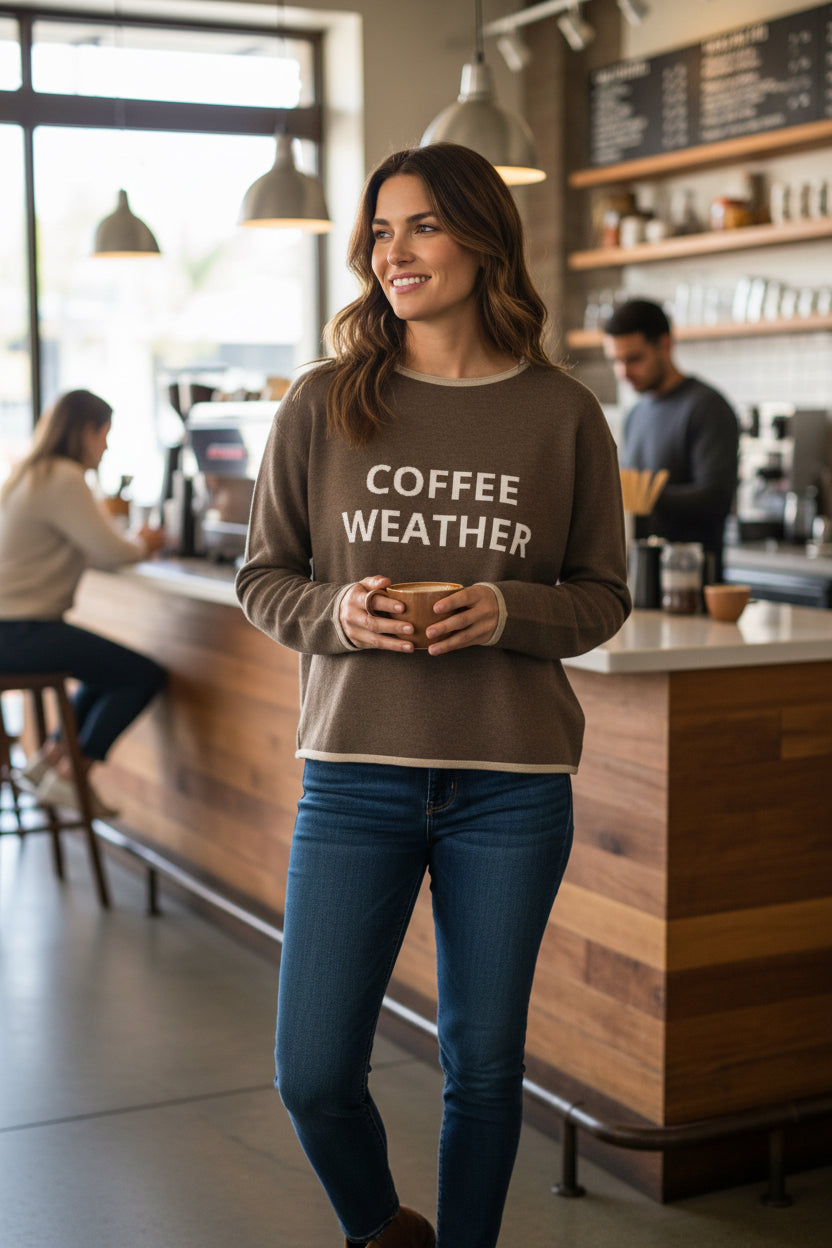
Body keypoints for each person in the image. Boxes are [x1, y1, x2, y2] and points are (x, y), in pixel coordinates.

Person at [236, 142, 631, 1248]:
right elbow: (263, 576)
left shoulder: (563, 415)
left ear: (480, 237)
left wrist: (506, 609)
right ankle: (382, 1230)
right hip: (355, 775)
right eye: (379, 230)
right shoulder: (323, 404)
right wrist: (338, 616)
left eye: (419, 225)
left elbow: (603, 597)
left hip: (511, 788)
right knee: (312, 1071)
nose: (392, 252)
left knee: (485, 1069)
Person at [0, 388, 166, 819]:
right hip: (20, 632)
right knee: (140, 675)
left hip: (12, 631)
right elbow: (114, 551)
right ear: (86, 431)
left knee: (103, 670)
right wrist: (145, 541)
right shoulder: (63, 477)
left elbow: (89, 545)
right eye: (104, 434)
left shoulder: (30, 473)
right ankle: (74, 777)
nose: (106, 446)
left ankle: (50, 763)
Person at [602, 297, 739, 582]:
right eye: (615, 360)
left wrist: (642, 496)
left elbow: (716, 498)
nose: (623, 372)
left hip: (693, 584)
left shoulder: (707, 406)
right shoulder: (636, 414)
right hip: (640, 579)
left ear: (664, 345)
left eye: (633, 359)